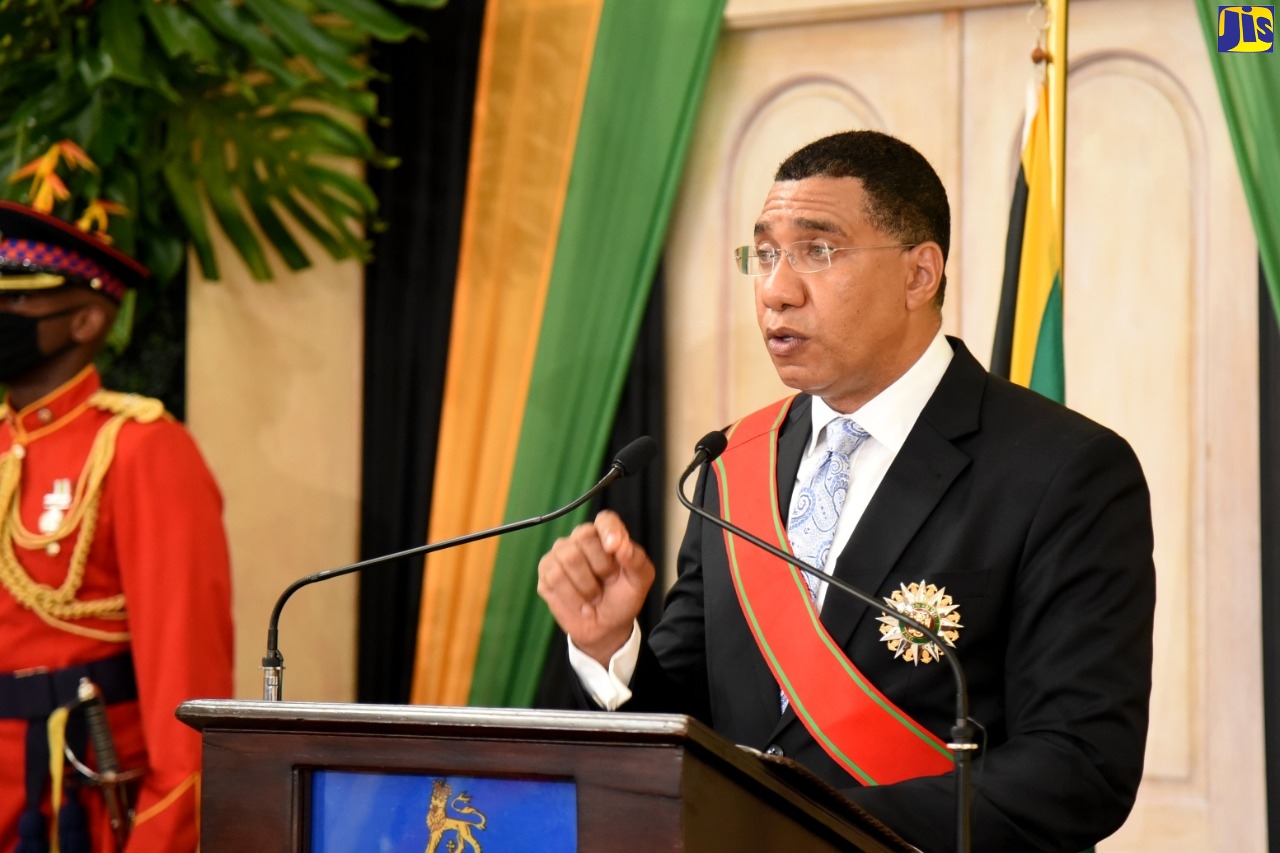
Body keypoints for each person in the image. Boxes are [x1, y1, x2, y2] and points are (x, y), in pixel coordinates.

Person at [536, 131, 1155, 852]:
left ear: (919, 274)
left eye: (818, 250)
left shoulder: (1065, 470)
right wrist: (612, 643)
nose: (775, 289)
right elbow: (693, 721)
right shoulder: (735, 462)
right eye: (765, 253)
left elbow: (1079, 768)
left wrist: (802, 828)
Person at [0, 201, 233, 852]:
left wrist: (162, 835)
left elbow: (188, 687)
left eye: (16, 302)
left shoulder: (138, 448)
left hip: (80, 809)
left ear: (86, 318)